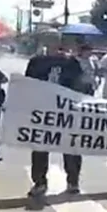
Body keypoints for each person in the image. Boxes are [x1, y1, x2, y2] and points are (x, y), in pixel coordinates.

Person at [24, 44, 86, 197]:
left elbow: (80, 86)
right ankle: (40, 182)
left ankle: (73, 181)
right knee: (40, 147)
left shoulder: (71, 63)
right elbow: (27, 85)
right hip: (43, 112)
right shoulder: (36, 62)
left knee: (70, 145)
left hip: (66, 111)